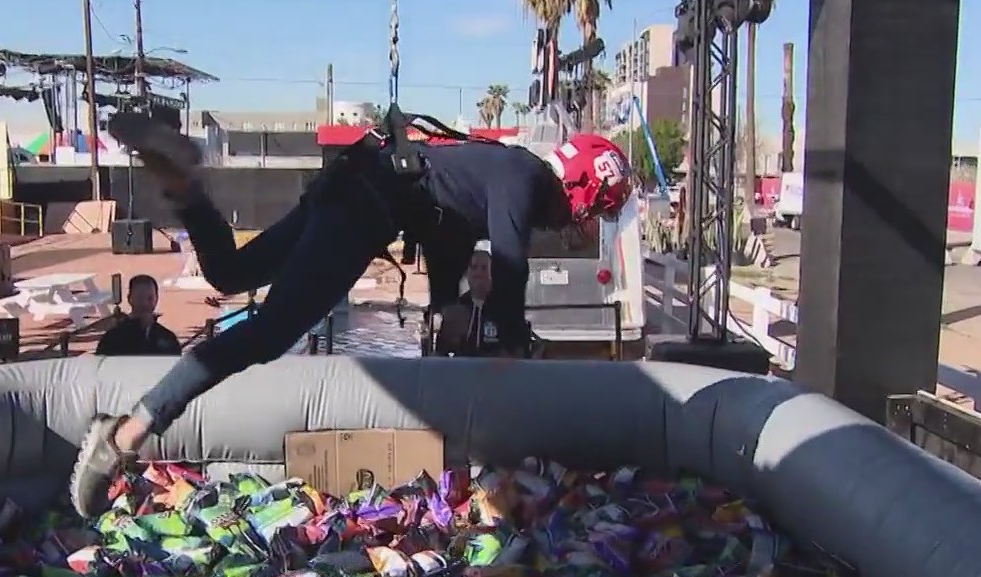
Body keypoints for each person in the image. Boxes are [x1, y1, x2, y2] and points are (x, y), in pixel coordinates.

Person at [69, 111, 631, 518]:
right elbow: (509, 263)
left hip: (347, 188)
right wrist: (512, 346)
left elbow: (447, 231)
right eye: (592, 212)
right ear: (585, 189)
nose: (575, 227)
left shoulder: (491, 167)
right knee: (266, 336)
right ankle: (124, 436)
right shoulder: (525, 175)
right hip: (362, 214)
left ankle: (184, 185)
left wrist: (446, 304)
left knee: (229, 273)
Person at [434, 241, 521, 357]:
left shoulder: (506, 309)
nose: (478, 273)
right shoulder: (456, 309)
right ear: (467, 273)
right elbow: (441, 352)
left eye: (484, 268)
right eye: (473, 267)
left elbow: (517, 351)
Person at [96, 274, 182, 356]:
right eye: (139, 297)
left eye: (150, 298)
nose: (144, 303)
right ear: (130, 298)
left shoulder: (168, 339)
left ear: (156, 299)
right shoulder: (112, 339)